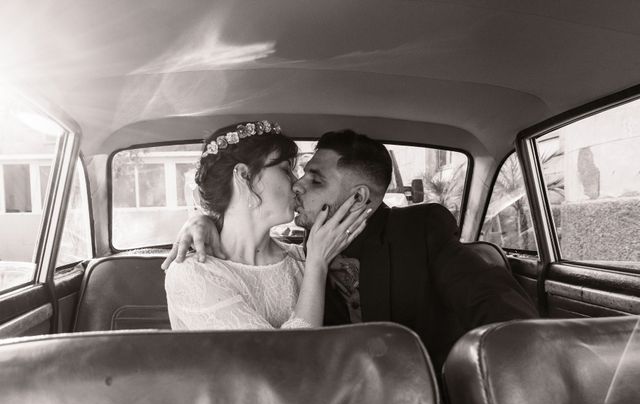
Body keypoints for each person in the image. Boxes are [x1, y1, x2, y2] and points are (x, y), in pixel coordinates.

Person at [163, 129, 537, 371]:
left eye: (314, 178)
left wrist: (540, 350)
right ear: (245, 178)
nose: (297, 186)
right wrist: (205, 219)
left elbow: (491, 298)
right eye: (295, 172)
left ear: (358, 197)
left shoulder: (419, 233)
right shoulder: (305, 253)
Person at [164, 122, 371, 331]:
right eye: (286, 169)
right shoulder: (192, 274)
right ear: (244, 176)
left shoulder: (302, 259)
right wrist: (316, 267)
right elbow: (274, 360)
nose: (297, 184)